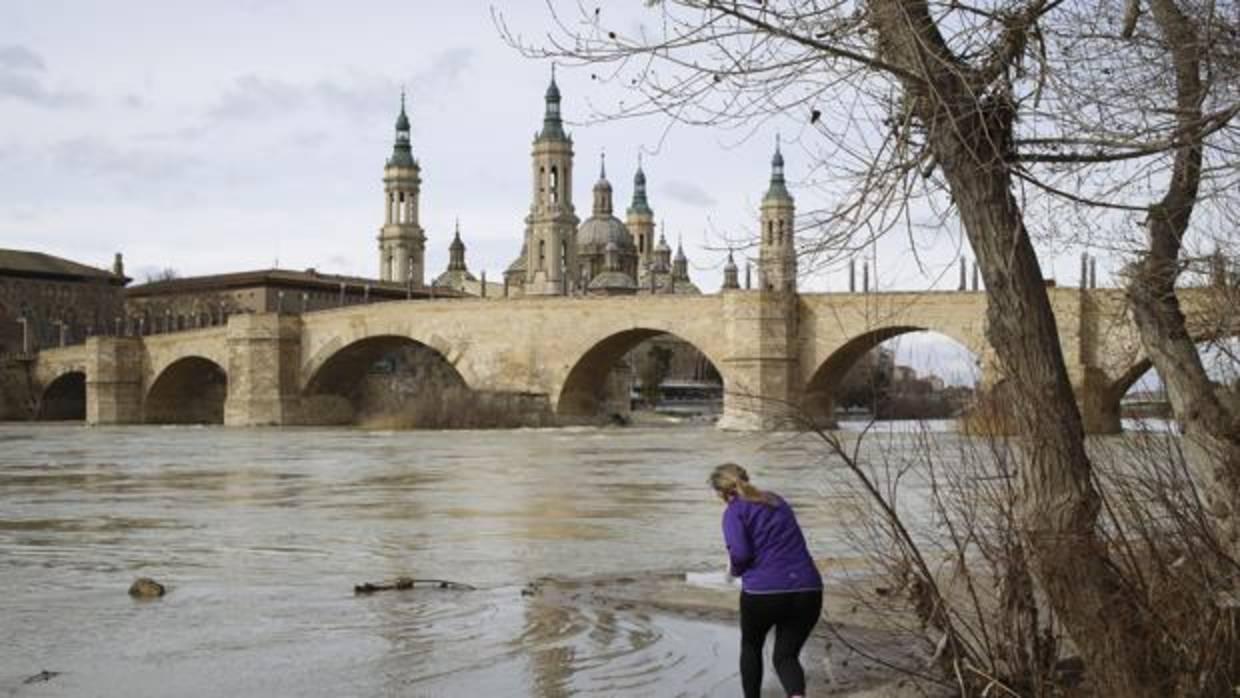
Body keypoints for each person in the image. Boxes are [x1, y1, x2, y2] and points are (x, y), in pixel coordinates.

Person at [709, 462, 823, 698]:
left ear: (721, 492)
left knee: (751, 646)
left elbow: (741, 554)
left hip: (764, 593)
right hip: (808, 588)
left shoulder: (734, 511)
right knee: (786, 656)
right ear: (746, 478)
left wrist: (734, 572)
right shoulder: (776, 500)